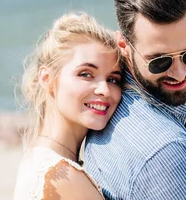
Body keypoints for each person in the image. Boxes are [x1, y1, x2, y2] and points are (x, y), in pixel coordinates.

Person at [83, 0, 186, 200]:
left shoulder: (105, 112)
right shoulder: (168, 153)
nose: (180, 72)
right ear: (124, 48)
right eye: (159, 61)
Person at [13, 12, 123, 200]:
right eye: (86, 74)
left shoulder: (36, 160)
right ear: (46, 78)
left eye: (113, 79)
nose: (104, 89)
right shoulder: (63, 177)